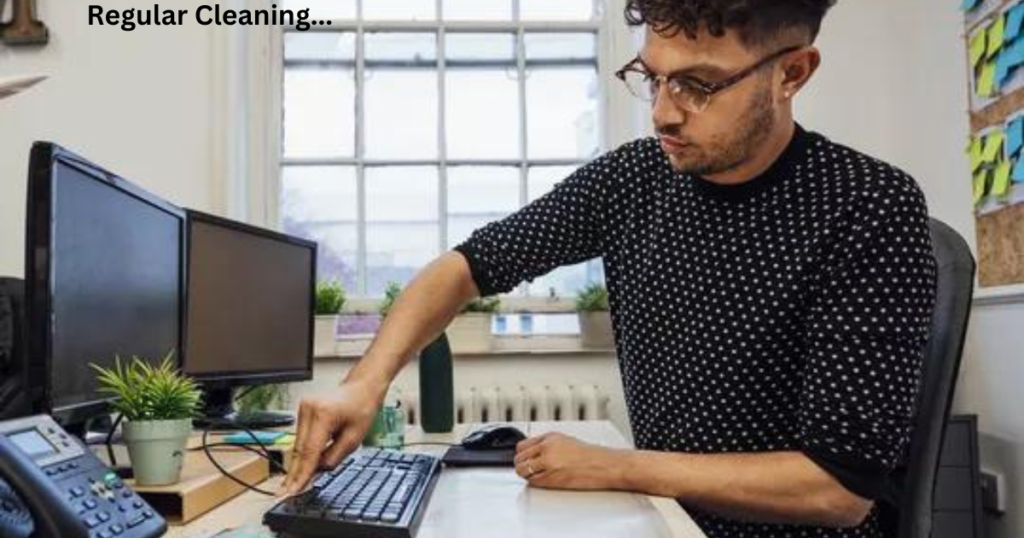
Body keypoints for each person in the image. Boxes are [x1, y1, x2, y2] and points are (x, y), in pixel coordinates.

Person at [281, 1, 938, 536]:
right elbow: (466, 267)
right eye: (652, 76)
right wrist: (364, 384)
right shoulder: (634, 178)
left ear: (792, 72)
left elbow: (838, 490)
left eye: (699, 84)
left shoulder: (868, 205)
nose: (663, 111)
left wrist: (623, 467)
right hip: (661, 516)